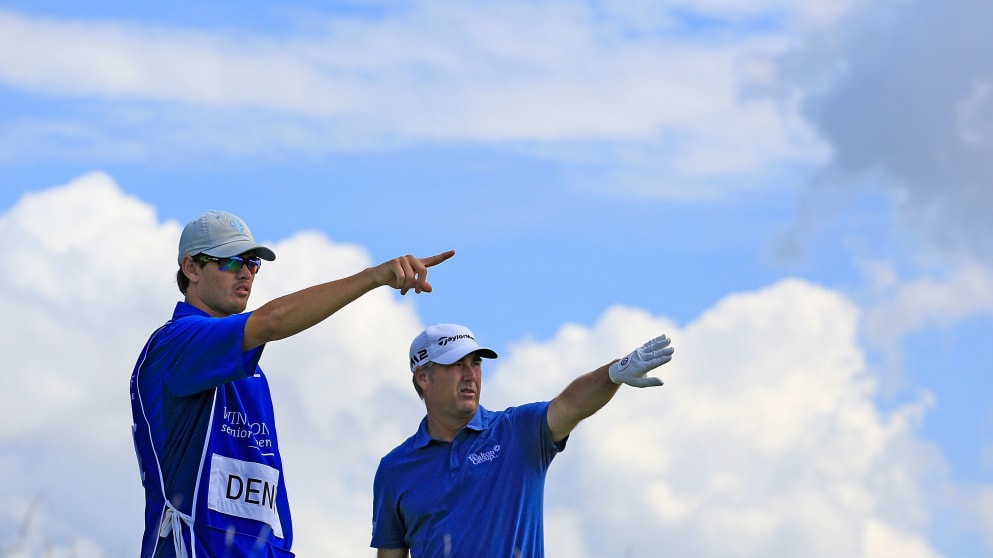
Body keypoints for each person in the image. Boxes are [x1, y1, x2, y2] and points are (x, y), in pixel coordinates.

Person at [130, 210, 454, 558]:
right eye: (230, 262)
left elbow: (263, 501)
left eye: (253, 263)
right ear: (191, 268)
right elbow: (272, 320)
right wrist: (373, 277)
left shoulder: (252, 372)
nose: (245, 272)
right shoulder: (175, 343)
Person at [370, 323, 675, 557]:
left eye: (476, 363)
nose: (470, 374)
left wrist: (614, 373)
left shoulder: (517, 432)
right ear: (423, 377)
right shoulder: (394, 469)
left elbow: (571, 405)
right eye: (456, 364)